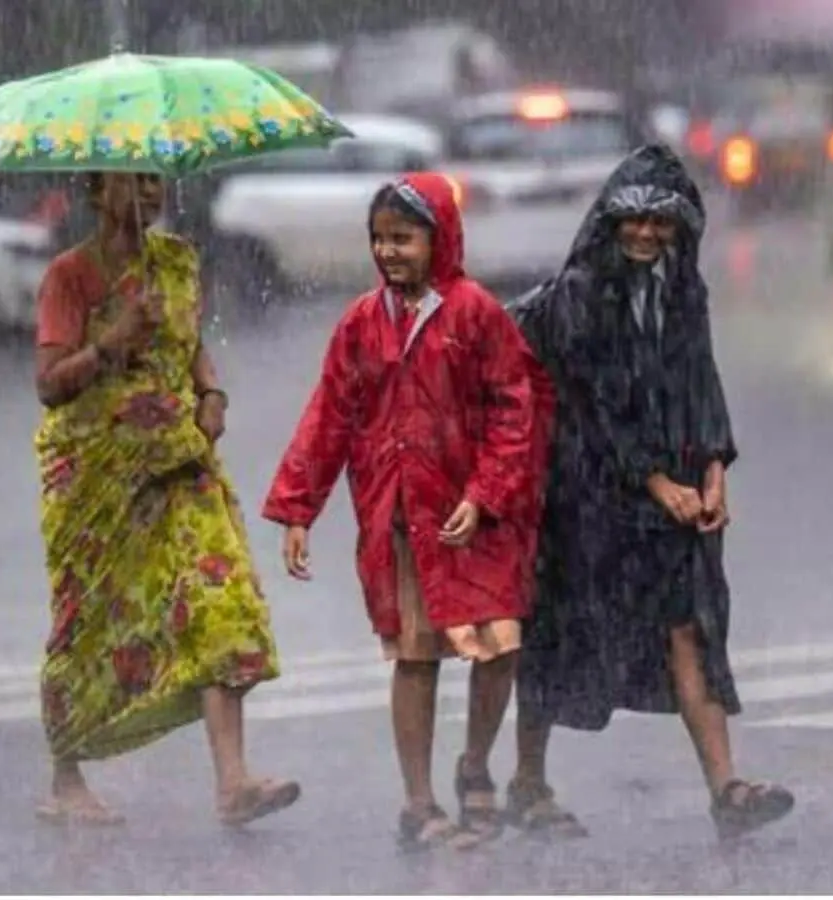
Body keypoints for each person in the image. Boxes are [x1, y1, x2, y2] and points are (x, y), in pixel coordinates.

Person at [507, 144, 794, 841]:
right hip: (586, 492)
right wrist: (655, 480)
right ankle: (526, 781)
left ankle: (727, 790)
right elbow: (592, 402)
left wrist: (714, 469)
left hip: (670, 489)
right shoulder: (580, 295)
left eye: (660, 222)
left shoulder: (683, 289)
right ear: (610, 222)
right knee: (559, 630)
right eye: (632, 220)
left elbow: (700, 381)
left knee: (689, 627)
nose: (645, 233)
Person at [263, 173, 550, 851]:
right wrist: (299, 509)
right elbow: (329, 417)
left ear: (439, 238)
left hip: (478, 522)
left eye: (404, 238)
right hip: (404, 522)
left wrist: (484, 494)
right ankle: (419, 804)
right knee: (416, 657)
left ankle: (475, 763)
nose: (389, 252)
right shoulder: (362, 323)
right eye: (380, 239)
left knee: (500, 647)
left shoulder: (476, 314)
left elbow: (516, 412)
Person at [31, 171, 298, 827]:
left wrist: (212, 394)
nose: (149, 194)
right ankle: (66, 779)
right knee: (89, 621)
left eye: (156, 181)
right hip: (98, 476)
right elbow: (50, 384)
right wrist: (109, 342)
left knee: (219, 598)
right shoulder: (70, 276)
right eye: (134, 182)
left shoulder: (176, 262)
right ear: (98, 193)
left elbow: (192, 347)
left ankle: (233, 782)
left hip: (180, 460)